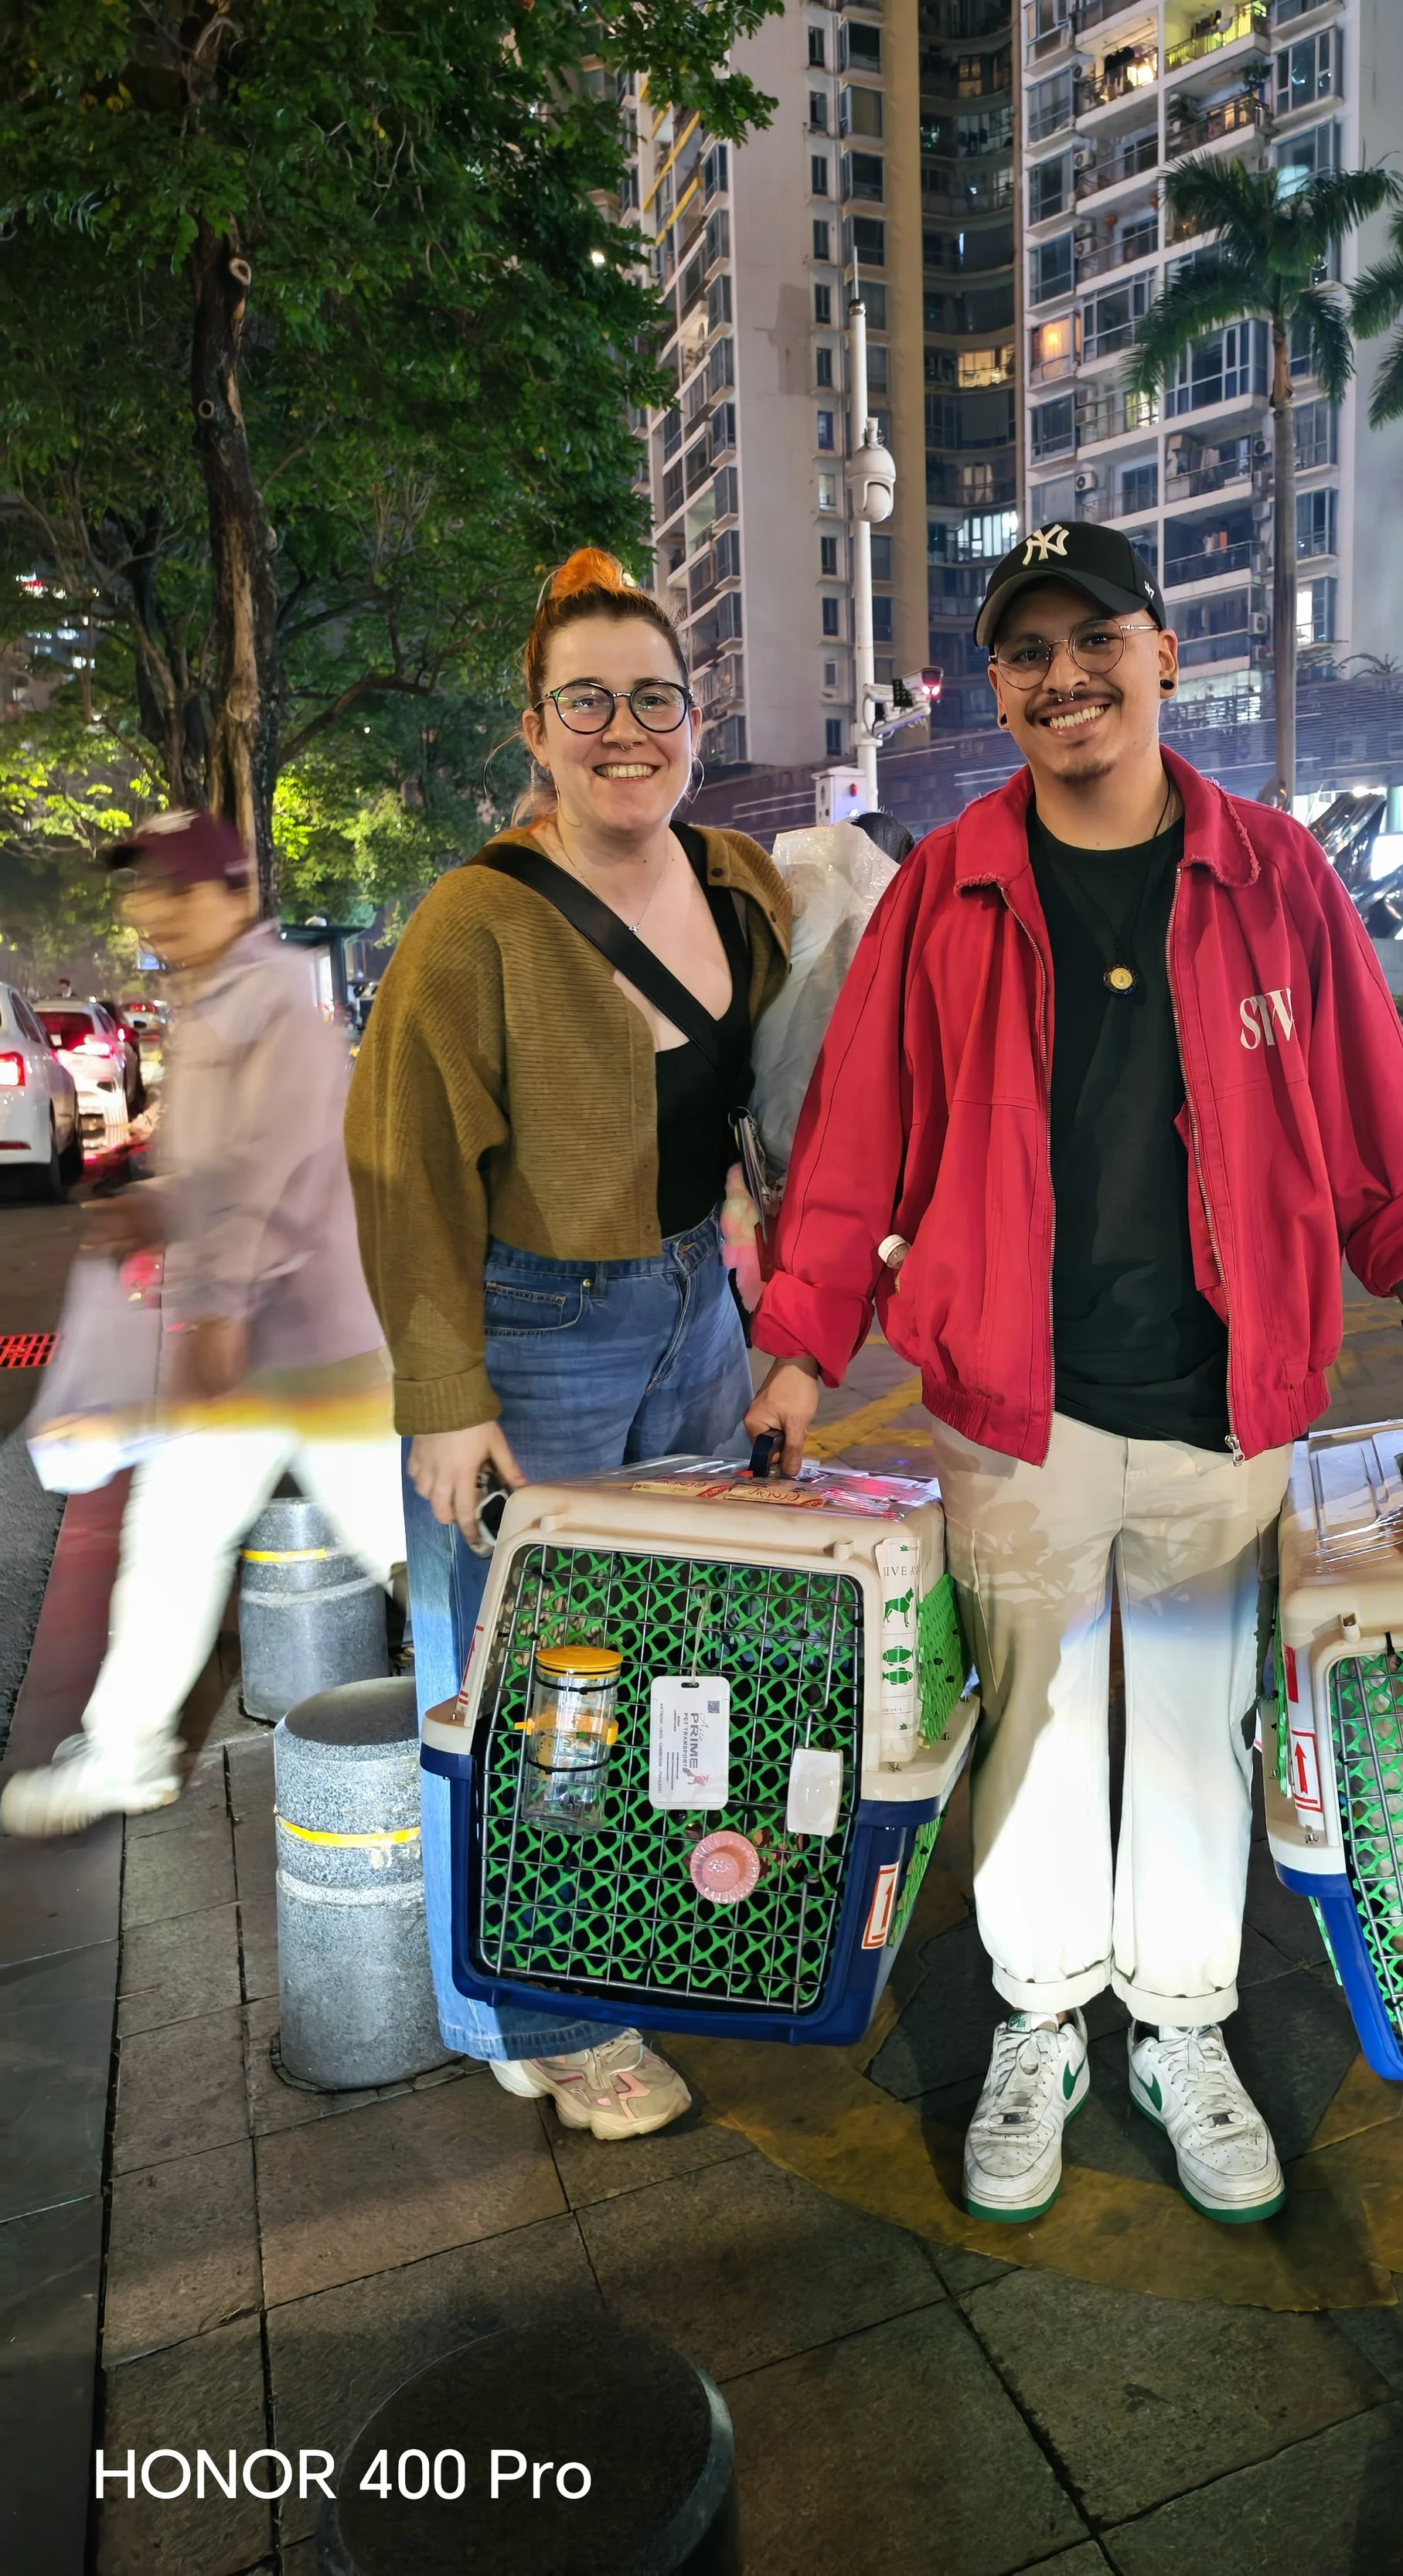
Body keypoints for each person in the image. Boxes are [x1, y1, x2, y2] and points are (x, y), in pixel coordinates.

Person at [745, 521, 1403, 2225]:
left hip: (1224, 1402)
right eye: (1026, 653)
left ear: (1164, 655)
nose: (1064, 678)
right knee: (1033, 1722)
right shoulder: (947, 886)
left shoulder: (1272, 873)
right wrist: (798, 1350)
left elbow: (1373, 1114)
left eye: (1096, 641)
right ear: (994, 686)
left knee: (1186, 1729)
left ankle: (1177, 2026)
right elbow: (855, 1143)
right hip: (1014, 1409)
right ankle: (1037, 2018)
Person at [345, 549, 791, 2142]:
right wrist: (445, 1399)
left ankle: (629, 1931)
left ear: (694, 713)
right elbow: (400, 1167)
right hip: (533, 1324)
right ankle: (542, 2011)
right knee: (538, 1680)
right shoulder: (474, 919)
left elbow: (788, 1074)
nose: (625, 730)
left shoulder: (739, 878)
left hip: (695, 1309)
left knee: (683, 1638)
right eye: (585, 702)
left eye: (653, 699)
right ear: (533, 726)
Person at [3, 811, 404, 1836]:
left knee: (402, 1543)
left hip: (306, 1341)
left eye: (172, 890)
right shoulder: (219, 998)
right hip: (266, 1344)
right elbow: (219, 1172)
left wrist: (219, 1303)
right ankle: (126, 1752)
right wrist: (152, 1208)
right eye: (141, 890)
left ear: (234, 892)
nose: (150, 910)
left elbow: (273, 1172)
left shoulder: (269, 1001)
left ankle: (530, 1702)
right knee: (178, 1538)